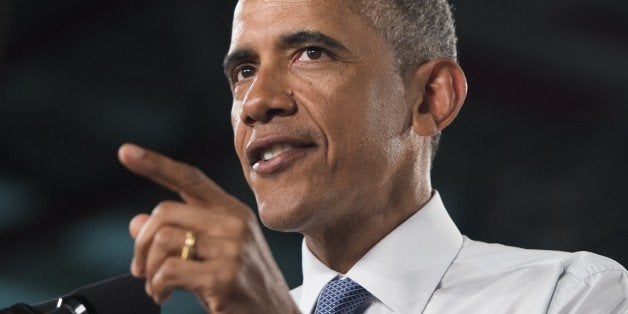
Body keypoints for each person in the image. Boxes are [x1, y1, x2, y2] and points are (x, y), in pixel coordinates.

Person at [117, 0, 627, 313]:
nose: (256, 101)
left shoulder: (570, 297)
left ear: (432, 98)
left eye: (311, 53)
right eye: (244, 71)